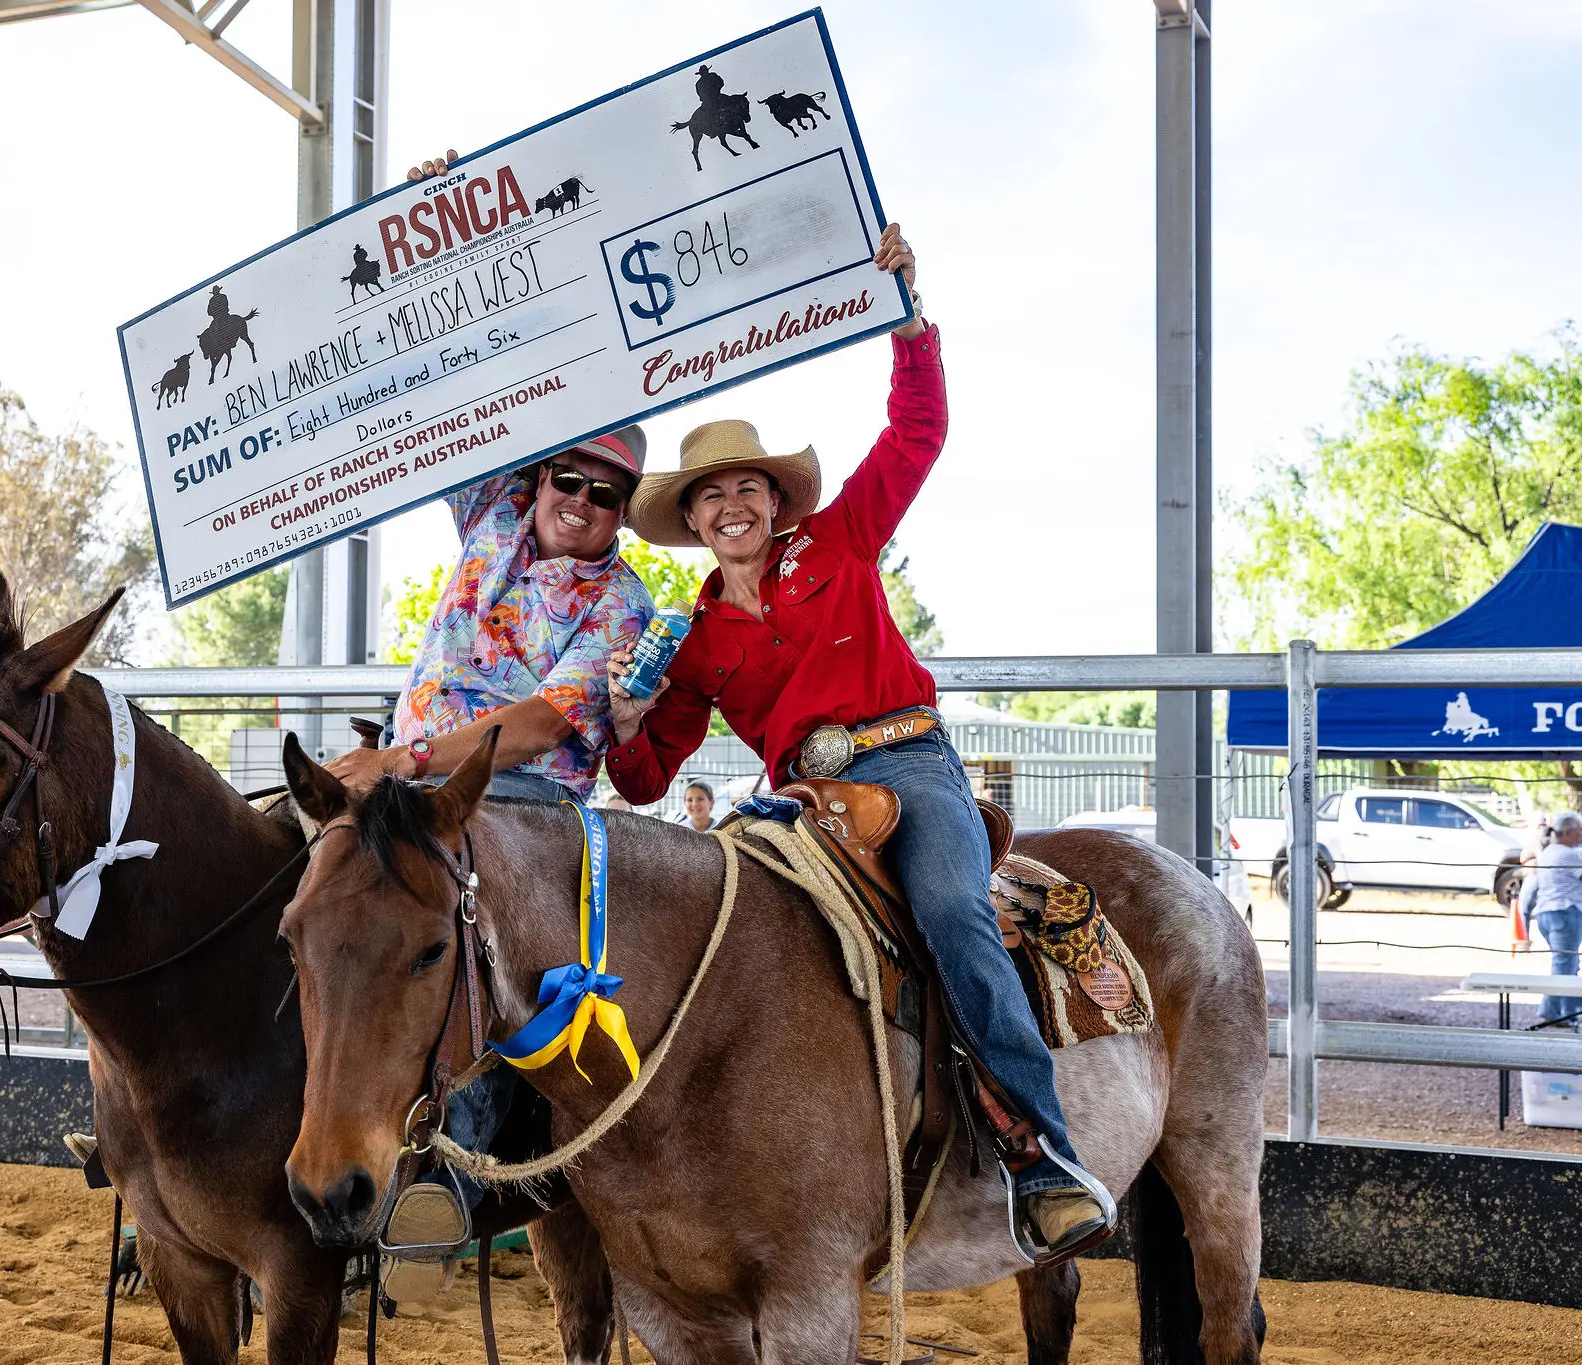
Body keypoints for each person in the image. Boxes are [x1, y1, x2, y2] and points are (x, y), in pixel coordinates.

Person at [603, 223, 1114, 1266]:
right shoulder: (689, 641)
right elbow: (648, 774)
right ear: (693, 521)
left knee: (951, 913)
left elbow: (915, 433)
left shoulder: (838, 538)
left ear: (772, 501)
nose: (732, 503)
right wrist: (621, 721)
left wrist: (909, 317)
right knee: (719, 926)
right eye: (711, 494)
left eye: (748, 486)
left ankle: (1042, 1153)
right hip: (794, 799)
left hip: (905, 762)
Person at [323, 151, 657, 1303]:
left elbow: (538, 723)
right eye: (568, 478)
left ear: (625, 513)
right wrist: (443, 235)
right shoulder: (498, 513)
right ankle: (229, 1115)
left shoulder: (626, 602)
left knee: (474, 925)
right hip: (404, 776)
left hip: (517, 798)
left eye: (604, 493)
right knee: (296, 888)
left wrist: (402, 764)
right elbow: (455, 385)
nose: (577, 501)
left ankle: (454, 1187)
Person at [1530, 812, 1582, 1027]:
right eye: (1579, 832)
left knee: (1568, 964)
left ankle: (1566, 1012)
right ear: (1568, 833)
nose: (1581, 836)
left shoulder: (1550, 851)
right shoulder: (1568, 855)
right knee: (1564, 965)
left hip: (1547, 913)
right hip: (1565, 912)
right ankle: (1554, 1013)